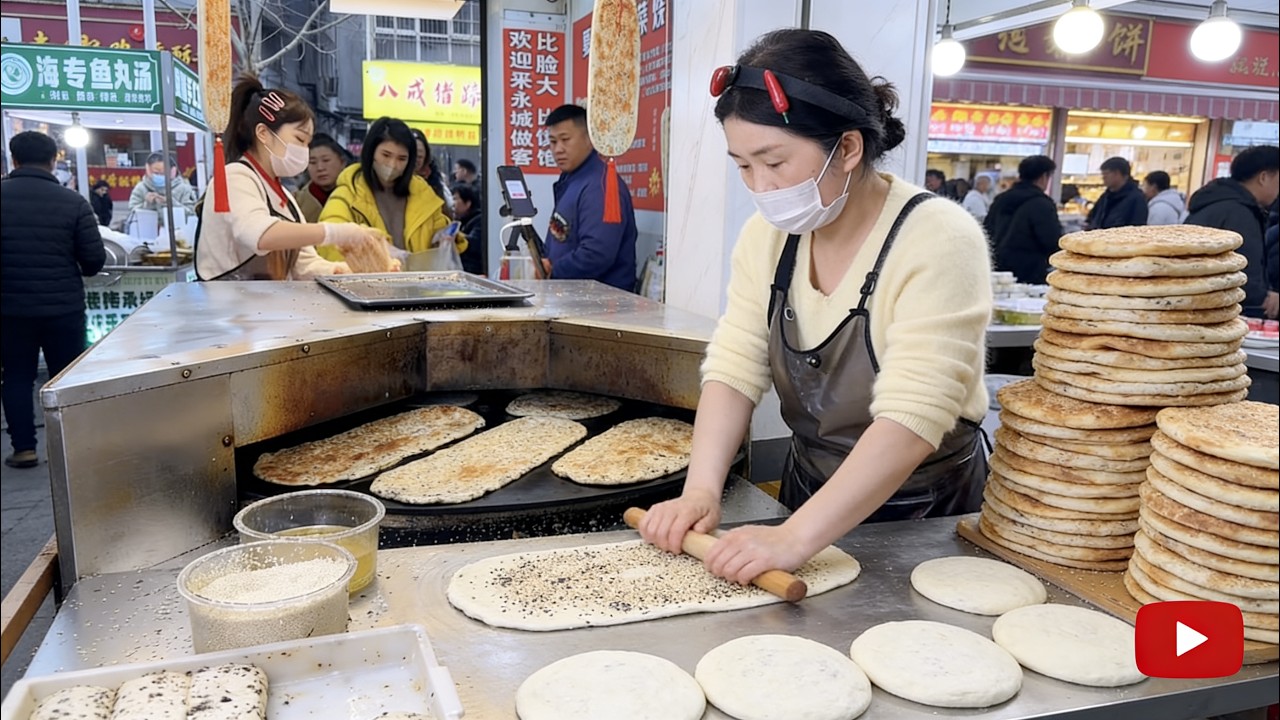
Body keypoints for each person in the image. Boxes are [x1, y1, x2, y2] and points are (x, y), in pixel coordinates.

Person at [637, 30, 991, 583]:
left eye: (774, 162)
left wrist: (796, 537)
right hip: (807, 493)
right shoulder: (767, 238)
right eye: (743, 166)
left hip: (925, 512)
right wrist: (701, 490)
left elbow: (914, 414)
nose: (761, 186)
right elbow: (734, 367)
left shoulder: (939, 238)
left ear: (847, 148)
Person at [195, 76, 384, 281]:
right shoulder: (236, 177)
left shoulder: (284, 196)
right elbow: (260, 235)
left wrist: (345, 270)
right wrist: (336, 232)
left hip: (264, 299)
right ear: (263, 133)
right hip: (227, 300)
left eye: (307, 143)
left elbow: (305, 264)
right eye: (300, 139)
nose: (304, 150)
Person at [0, 131, 106, 468]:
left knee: (16, 376)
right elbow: (94, 261)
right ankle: (73, 449)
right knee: (66, 378)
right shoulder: (73, 202)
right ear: (53, 160)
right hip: (63, 309)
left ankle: (24, 448)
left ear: (14, 159)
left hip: (10, 309)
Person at [319, 117, 466, 268]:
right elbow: (330, 241)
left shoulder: (423, 194)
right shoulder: (347, 194)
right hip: (369, 281)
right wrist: (374, 254)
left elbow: (440, 230)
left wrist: (447, 239)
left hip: (418, 280)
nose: (392, 164)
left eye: (401, 159)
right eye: (386, 155)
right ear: (371, 152)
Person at [542, 104, 639, 291]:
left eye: (565, 139)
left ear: (589, 139)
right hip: (572, 296)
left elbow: (596, 253)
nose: (558, 149)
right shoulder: (573, 180)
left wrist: (552, 271)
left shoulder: (599, 186)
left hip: (601, 303)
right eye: (553, 142)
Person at [1185, 144, 1280, 317]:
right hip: (1220, 312)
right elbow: (1242, 272)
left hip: (1197, 304)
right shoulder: (1240, 213)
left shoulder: (1216, 202)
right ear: (1264, 177)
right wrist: (1263, 297)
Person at [986, 155, 1063, 284]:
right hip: (1030, 273)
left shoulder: (1000, 200)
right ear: (1044, 176)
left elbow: (987, 230)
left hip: (998, 271)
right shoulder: (1041, 204)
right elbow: (1052, 241)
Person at [296, 134, 349, 223]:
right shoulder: (297, 201)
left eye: (326, 160)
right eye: (312, 162)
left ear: (342, 162)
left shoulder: (357, 196)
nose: (320, 168)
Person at [1086, 156, 1147, 229]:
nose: (1103, 177)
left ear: (1117, 173)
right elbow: (1091, 218)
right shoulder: (1106, 196)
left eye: (1106, 174)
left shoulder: (1137, 199)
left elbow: (1136, 228)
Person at [129, 152, 198, 213]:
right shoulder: (141, 188)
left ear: (172, 171)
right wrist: (147, 204)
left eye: (163, 173)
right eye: (156, 173)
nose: (160, 176)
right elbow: (132, 213)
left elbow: (193, 212)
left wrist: (172, 203)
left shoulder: (184, 189)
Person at [409, 128, 455, 219]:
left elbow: (446, 215)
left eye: (419, 156)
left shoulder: (435, 183)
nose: (415, 160)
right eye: (412, 155)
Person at [451, 183, 485, 275]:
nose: (452, 204)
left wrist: (457, 237)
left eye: (455, 199)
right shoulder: (460, 221)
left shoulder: (479, 221)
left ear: (468, 203)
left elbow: (473, 244)